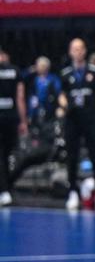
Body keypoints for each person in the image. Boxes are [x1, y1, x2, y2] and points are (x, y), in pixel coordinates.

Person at [60, 38, 95, 211]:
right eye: (74, 49)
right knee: (72, 157)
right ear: (70, 52)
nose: (77, 52)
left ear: (85, 51)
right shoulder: (66, 74)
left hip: (90, 118)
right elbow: (62, 94)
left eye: (80, 49)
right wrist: (63, 106)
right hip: (73, 120)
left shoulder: (94, 72)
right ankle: (73, 192)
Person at [0, 47, 27, 207]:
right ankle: (7, 188)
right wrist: (23, 120)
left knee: (2, 155)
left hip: (4, 118)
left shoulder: (14, 71)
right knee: (9, 155)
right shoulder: (15, 71)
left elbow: (21, 96)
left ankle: (4, 190)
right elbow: (20, 97)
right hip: (11, 118)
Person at [25, 56, 60, 126]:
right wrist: (29, 71)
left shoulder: (53, 78)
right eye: (37, 65)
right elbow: (21, 78)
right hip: (34, 109)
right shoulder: (33, 78)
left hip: (49, 108)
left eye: (41, 66)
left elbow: (57, 91)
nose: (38, 67)